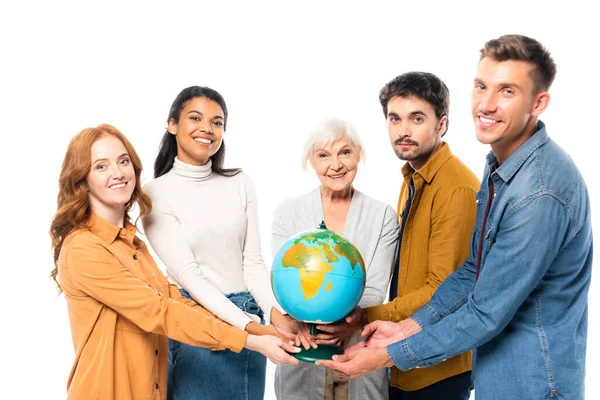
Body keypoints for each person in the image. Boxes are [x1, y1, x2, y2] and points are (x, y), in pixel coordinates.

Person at [318, 34, 593, 400]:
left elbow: (484, 312)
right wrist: (409, 327)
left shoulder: (538, 192)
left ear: (538, 102)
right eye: (481, 86)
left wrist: (387, 355)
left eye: (507, 91)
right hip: (499, 376)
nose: (487, 104)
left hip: (534, 385)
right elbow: (473, 272)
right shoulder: (502, 168)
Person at [49, 124, 299, 400]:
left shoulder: (132, 243)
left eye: (123, 161)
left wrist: (257, 328)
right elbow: (159, 311)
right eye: (101, 166)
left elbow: (175, 299)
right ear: (81, 180)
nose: (117, 173)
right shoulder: (83, 248)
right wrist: (250, 342)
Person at [319, 72, 479, 400]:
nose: (403, 130)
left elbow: (445, 288)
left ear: (442, 124)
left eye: (416, 118)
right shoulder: (412, 179)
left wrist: (365, 317)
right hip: (403, 357)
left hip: (438, 369)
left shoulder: (456, 189)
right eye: (395, 118)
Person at [141, 86, 292, 400]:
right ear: (172, 124)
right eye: (195, 118)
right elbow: (192, 278)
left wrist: (277, 316)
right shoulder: (156, 194)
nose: (207, 129)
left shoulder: (240, 181)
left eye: (217, 122)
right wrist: (250, 329)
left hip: (248, 313)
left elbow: (252, 264)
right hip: (197, 321)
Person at [271, 117, 399, 400]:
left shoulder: (382, 216)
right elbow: (279, 281)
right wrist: (294, 323)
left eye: (345, 152)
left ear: (358, 155)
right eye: (323, 155)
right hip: (302, 354)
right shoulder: (288, 212)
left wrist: (347, 326)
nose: (336, 164)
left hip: (358, 352)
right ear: (312, 162)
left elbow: (376, 290)